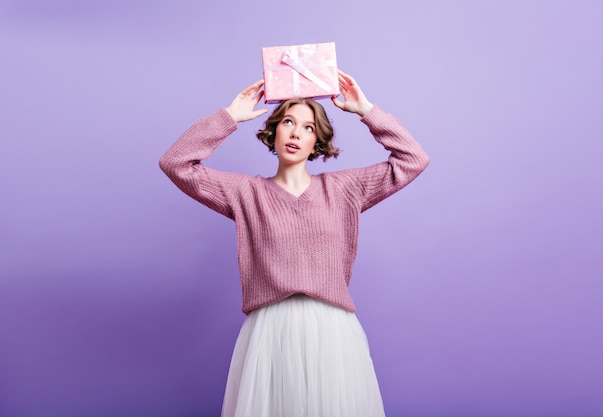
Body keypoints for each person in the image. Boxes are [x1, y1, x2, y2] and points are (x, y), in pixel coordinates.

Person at [159, 69, 430, 417]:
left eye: (308, 127)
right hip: (270, 330)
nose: (296, 132)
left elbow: (413, 160)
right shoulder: (246, 193)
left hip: (332, 330)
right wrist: (228, 117)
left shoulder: (344, 189)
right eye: (288, 121)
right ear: (273, 132)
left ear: (317, 141)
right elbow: (175, 163)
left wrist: (366, 110)